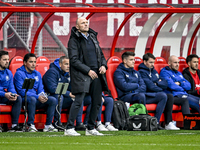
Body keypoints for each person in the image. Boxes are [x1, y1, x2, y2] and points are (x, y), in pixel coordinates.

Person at [65, 17, 108, 136]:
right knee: (78, 100)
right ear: (77, 27)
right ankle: (69, 128)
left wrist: (104, 66)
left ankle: (90, 128)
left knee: (97, 101)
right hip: (82, 74)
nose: (85, 24)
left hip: (97, 74)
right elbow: (73, 60)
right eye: (82, 23)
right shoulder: (74, 40)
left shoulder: (93, 37)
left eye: (86, 22)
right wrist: (88, 70)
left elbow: (101, 55)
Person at [114, 51, 169, 130]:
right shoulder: (118, 72)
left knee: (162, 96)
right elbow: (124, 87)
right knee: (141, 95)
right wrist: (137, 85)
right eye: (131, 60)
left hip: (139, 94)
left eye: (134, 60)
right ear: (125, 61)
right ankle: (143, 122)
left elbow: (144, 86)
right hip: (126, 97)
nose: (133, 62)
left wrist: (134, 88)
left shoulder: (135, 72)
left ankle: (155, 122)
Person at [138, 53, 190, 130]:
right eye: (151, 62)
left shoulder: (154, 71)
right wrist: (158, 85)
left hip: (156, 93)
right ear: (145, 62)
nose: (153, 64)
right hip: (148, 94)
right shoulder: (142, 72)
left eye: (153, 62)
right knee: (164, 95)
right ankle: (156, 122)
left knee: (169, 96)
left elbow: (165, 84)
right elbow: (150, 86)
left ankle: (168, 123)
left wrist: (157, 83)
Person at [43, 56, 91, 131]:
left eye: (69, 64)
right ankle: (57, 123)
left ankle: (79, 123)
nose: (68, 66)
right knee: (59, 97)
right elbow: (52, 89)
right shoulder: (52, 72)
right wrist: (68, 93)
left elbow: (71, 88)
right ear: (60, 64)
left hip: (63, 97)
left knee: (78, 98)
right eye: (66, 64)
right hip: (51, 97)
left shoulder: (67, 74)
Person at [14, 53, 58, 132]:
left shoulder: (37, 74)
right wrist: (38, 97)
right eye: (31, 62)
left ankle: (48, 125)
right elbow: (21, 91)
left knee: (52, 100)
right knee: (32, 99)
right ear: (24, 63)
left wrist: (43, 96)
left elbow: (41, 89)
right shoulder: (19, 74)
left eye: (34, 62)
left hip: (36, 98)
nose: (33, 64)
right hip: (25, 99)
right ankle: (30, 125)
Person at [0, 51, 22, 132]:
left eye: (8, 59)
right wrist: (4, 94)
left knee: (18, 99)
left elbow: (11, 86)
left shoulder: (8, 72)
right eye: (4, 60)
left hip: (5, 96)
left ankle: (14, 125)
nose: (7, 62)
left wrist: (13, 94)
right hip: (2, 95)